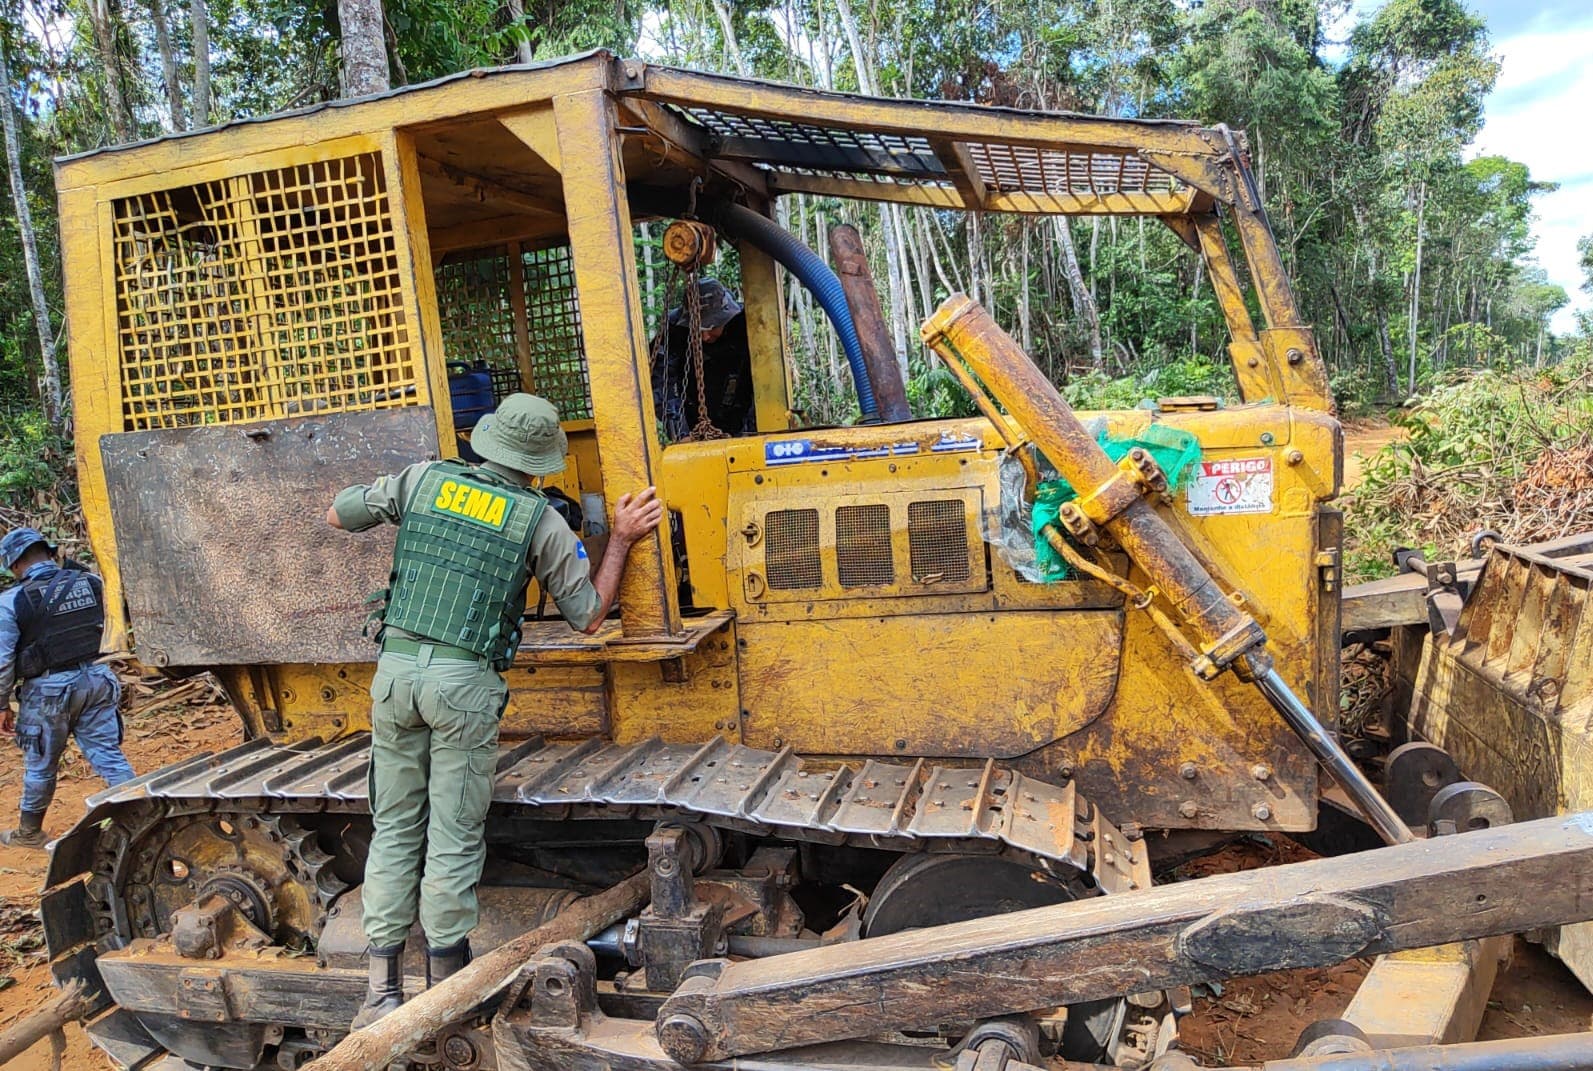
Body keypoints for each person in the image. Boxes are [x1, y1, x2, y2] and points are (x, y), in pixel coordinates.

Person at [326, 393, 662, 1028]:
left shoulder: (424, 479)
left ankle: (381, 991)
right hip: (463, 687)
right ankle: (444, 994)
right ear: (539, 465)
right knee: (452, 834)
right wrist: (618, 539)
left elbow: (339, 515)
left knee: (396, 827)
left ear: (486, 440)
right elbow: (589, 616)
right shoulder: (540, 522)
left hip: (396, 676)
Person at [0, 527, 136, 849]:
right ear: (49, 553)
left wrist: (1, 704)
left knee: (41, 764)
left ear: (15, 565)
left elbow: (3, 660)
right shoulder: (92, 583)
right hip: (97, 678)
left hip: (48, 691)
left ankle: (29, 833)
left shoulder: (11, 601)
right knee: (108, 755)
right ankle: (143, 819)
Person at [652, 278, 755, 439]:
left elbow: (764, 382)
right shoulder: (674, 330)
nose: (704, 337)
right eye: (696, 330)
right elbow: (661, 383)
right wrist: (681, 432)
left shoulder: (748, 324)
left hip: (739, 409)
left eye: (712, 327)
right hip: (693, 417)